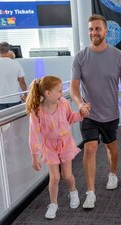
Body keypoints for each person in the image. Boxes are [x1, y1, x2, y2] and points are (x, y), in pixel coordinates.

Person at [71, 14, 121, 209]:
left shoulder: (118, 56)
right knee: (89, 148)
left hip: (110, 113)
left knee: (111, 147)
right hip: (88, 114)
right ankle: (90, 192)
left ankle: (112, 173)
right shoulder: (80, 57)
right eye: (91, 29)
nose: (93, 32)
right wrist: (80, 103)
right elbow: (73, 88)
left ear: (106, 31)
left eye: (97, 29)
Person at [26, 75, 85, 219]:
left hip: (65, 144)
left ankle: (73, 191)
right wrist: (35, 156)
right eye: (59, 91)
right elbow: (34, 134)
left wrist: (81, 114)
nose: (62, 93)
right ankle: (53, 204)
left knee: (67, 175)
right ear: (47, 93)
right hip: (49, 147)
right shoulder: (37, 111)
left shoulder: (63, 103)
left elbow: (70, 118)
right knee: (55, 177)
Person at [0, 42, 27, 110]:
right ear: (9, 50)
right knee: (16, 119)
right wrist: (25, 94)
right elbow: (22, 81)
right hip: (14, 98)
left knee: (2, 120)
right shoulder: (16, 63)